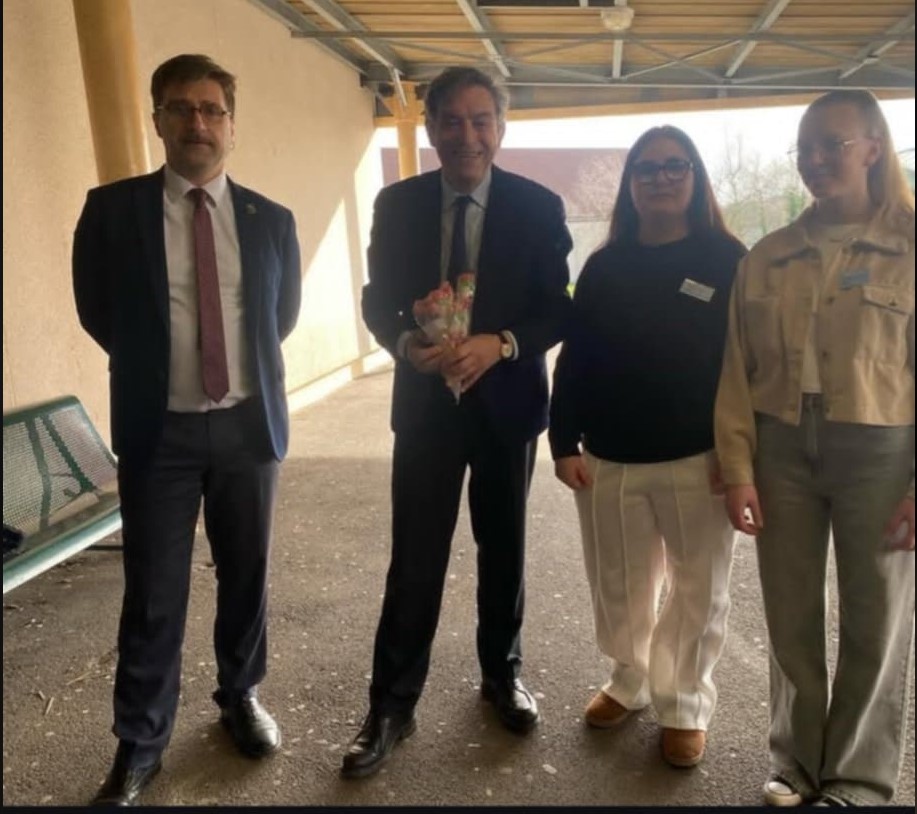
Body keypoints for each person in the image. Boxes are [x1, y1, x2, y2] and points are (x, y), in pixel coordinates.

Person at [73, 54, 302, 806]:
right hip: (158, 434)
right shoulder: (111, 212)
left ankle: (240, 695)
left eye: (211, 109)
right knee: (153, 591)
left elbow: (278, 318)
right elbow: (98, 311)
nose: (197, 122)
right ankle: (140, 743)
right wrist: (158, 371)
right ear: (158, 121)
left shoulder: (271, 220)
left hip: (247, 429)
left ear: (232, 126)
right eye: (181, 108)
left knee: (246, 575)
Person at [343, 66, 572, 779]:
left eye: (480, 121)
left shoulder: (537, 206)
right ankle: (391, 704)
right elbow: (378, 299)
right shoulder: (398, 203)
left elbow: (556, 308)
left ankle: (502, 675)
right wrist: (403, 342)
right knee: (415, 557)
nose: (466, 135)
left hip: (506, 409)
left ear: (500, 128)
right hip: (425, 410)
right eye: (451, 121)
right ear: (432, 127)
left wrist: (501, 344)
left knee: (503, 550)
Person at [715, 89, 915, 807]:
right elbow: (736, 372)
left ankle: (856, 779)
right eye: (805, 147)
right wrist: (737, 468)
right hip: (780, 448)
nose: (817, 159)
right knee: (789, 611)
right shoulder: (767, 256)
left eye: (834, 143)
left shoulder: (910, 246)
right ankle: (795, 764)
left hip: (881, 450)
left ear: (873, 148)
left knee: (875, 616)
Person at [549, 126, 746, 769]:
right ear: (630, 184)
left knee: (699, 590)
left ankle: (684, 703)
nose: (660, 178)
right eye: (646, 169)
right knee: (619, 583)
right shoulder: (604, 265)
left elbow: (751, 363)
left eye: (674, 166)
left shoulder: (727, 258)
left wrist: (742, 457)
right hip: (610, 457)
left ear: (695, 177)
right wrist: (562, 440)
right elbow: (575, 359)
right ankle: (629, 680)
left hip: (700, 458)